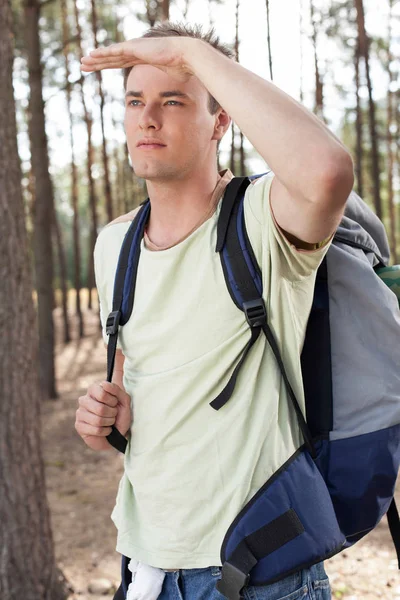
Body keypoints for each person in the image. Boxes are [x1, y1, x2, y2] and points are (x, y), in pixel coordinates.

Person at [75, 22, 354, 600]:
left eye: (172, 101)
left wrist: (191, 55)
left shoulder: (262, 218)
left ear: (220, 119)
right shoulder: (114, 244)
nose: (147, 119)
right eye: (135, 101)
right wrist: (106, 422)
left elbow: (327, 170)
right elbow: (132, 396)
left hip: (262, 571)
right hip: (146, 568)